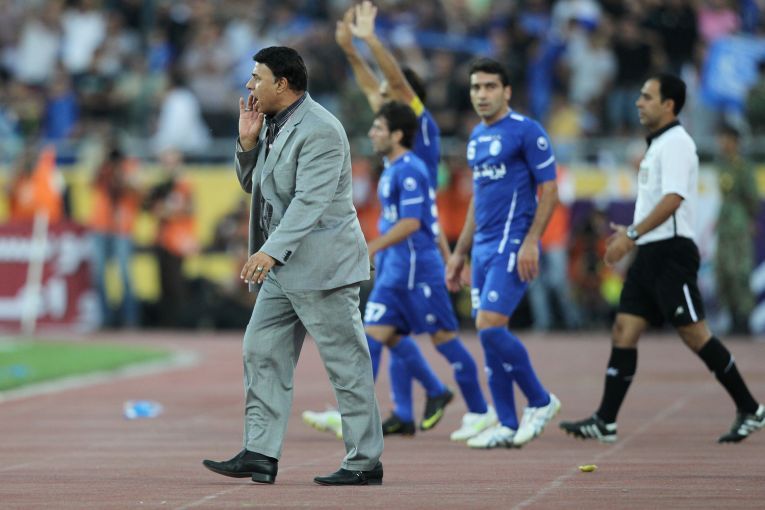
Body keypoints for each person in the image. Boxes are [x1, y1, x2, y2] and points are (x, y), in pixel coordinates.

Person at [302, 1, 496, 442]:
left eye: (388, 98)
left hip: (413, 257)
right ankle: (377, 410)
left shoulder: (419, 131)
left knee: (440, 336)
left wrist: (371, 40)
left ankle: (478, 408)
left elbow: (393, 83)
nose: (379, 104)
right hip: (399, 258)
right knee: (378, 334)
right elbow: (373, 85)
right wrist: (349, 50)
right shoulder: (394, 144)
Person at [202, 46, 383, 486]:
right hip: (285, 269)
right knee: (260, 349)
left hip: (323, 267)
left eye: (257, 77)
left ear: (282, 84)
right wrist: (247, 143)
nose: (250, 85)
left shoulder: (321, 129)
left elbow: (310, 203)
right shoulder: (272, 123)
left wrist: (270, 251)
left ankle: (365, 461)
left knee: (346, 364)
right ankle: (260, 452)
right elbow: (254, 185)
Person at [560, 74, 765, 444]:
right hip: (651, 251)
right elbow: (658, 201)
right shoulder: (657, 144)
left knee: (695, 334)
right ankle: (605, 420)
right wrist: (634, 231)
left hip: (671, 253)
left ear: (669, 105)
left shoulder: (677, 143)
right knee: (624, 329)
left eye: (647, 97)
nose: (638, 103)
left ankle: (750, 408)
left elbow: (673, 199)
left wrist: (631, 235)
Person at [445, 58, 561, 449]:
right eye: (476, 87)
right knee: (488, 333)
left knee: (490, 325)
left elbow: (550, 190)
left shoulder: (527, 131)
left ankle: (541, 401)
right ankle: (508, 423)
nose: (482, 94)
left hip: (513, 242)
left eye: (490, 86)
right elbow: (478, 200)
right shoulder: (477, 137)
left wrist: (531, 241)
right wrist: (459, 253)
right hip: (482, 249)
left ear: (507, 91)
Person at [88, 145, 142, 328]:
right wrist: (102, 163)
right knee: (98, 274)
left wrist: (121, 172)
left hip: (122, 228)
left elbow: (137, 188)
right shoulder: (104, 168)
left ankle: (130, 318)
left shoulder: (130, 166)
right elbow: (92, 182)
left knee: (125, 274)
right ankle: (105, 318)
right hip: (101, 226)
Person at [144, 148, 198, 328]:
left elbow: (188, 209)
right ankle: (167, 322)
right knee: (163, 283)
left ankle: (180, 322)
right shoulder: (162, 185)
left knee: (176, 283)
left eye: (170, 162)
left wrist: (167, 211)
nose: (167, 167)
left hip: (177, 240)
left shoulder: (183, 184)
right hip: (163, 239)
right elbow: (151, 208)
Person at [714, 124, 759, 335]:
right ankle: (732, 316)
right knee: (723, 271)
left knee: (739, 272)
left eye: (725, 138)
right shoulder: (722, 165)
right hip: (725, 225)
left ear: (734, 141)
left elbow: (752, 198)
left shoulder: (743, 167)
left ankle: (744, 318)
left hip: (738, 225)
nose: (721, 143)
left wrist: (747, 219)